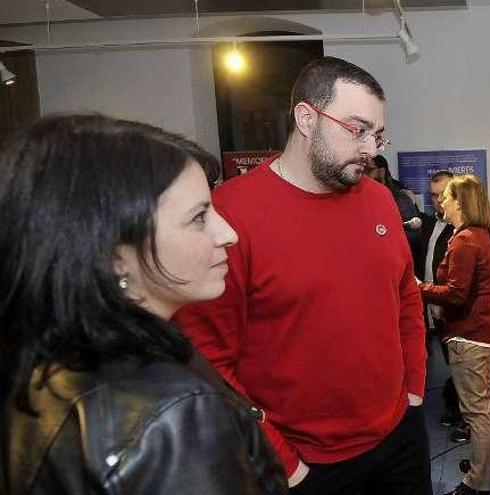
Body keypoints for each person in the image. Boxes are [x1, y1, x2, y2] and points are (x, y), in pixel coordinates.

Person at [174, 56, 430, 494]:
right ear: (306, 118)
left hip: (399, 438)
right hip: (304, 463)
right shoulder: (232, 215)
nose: (371, 149)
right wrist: (284, 462)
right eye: (357, 129)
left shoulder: (380, 200)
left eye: (378, 134)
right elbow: (207, 358)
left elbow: (405, 293)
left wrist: (415, 390)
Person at [0, 114, 287, 494]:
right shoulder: (174, 415)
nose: (228, 234)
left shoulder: (38, 361)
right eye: (199, 217)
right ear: (113, 253)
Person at [420, 175, 490, 495]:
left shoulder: (465, 240)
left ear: (460, 203)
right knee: (487, 405)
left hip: (468, 334)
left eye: (447, 198)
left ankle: (476, 483)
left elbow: (455, 295)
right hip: (481, 331)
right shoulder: (478, 236)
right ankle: (489, 465)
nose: (442, 202)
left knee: (475, 412)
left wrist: (420, 289)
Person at [415, 170, 462, 429]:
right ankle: (455, 406)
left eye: (442, 195)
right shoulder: (430, 224)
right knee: (449, 361)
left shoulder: (465, 231)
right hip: (431, 305)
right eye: (433, 195)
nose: (438, 200)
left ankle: (461, 416)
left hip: (452, 307)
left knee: (459, 365)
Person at [369, 154, 421, 255]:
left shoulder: (400, 196)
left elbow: (413, 235)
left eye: (370, 170)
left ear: (382, 171)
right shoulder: (366, 194)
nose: (365, 175)